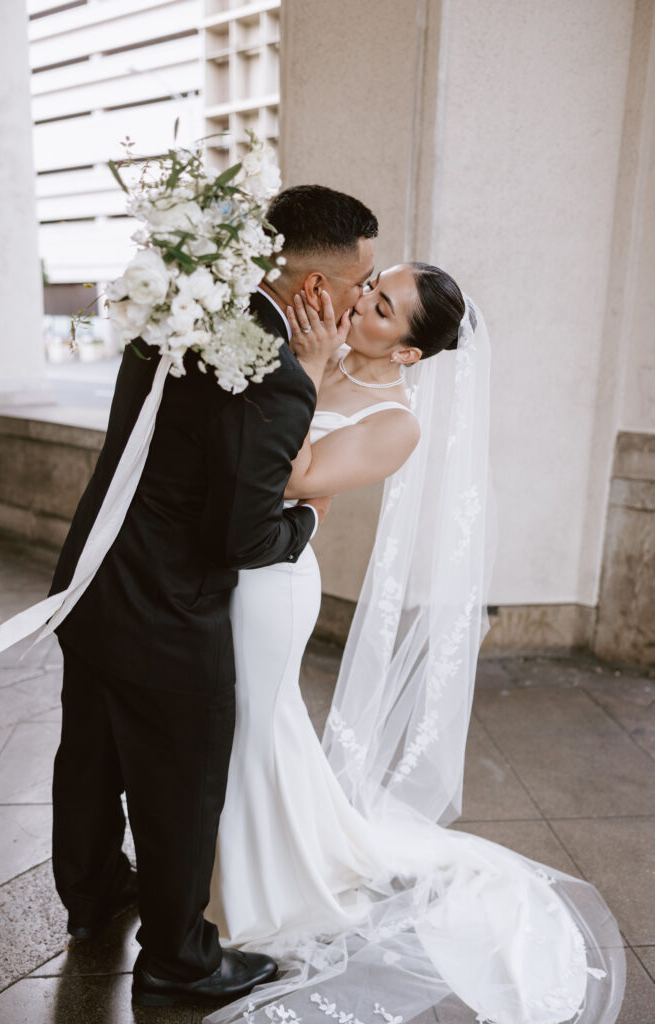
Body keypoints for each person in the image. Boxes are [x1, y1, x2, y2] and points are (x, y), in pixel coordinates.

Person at [156, 258, 624, 1024]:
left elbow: (292, 477)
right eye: (370, 288)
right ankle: (205, 868)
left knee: (250, 724)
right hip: (215, 567)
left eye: (380, 308)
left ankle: (248, 886)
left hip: (273, 585)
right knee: (229, 723)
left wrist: (306, 371)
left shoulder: (396, 422)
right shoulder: (312, 352)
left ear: (406, 350)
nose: (359, 306)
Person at [45, 185, 379, 1005]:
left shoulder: (180, 309)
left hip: (94, 577)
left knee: (89, 754)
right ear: (313, 288)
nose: (357, 301)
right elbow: (242, 536)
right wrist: (306, 518)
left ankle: (91, 895)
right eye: (355, 286)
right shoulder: (275, 376)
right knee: (179, 787)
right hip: (165, 610)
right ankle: (179, 961)